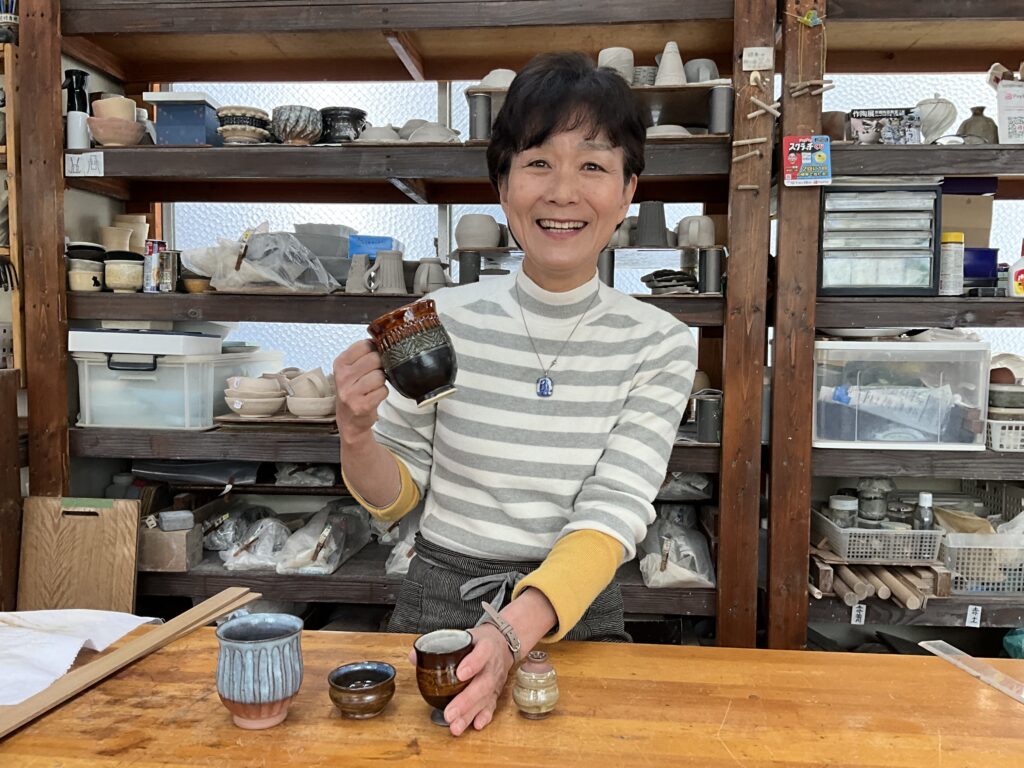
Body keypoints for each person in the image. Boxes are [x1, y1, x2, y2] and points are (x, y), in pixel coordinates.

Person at [333, 52, 696, 735]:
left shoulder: (660, 342)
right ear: (502, 187)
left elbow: (614, 510)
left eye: (593, 166)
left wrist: (509, 632)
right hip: (440, 602)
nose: (563, 192)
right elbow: (397, 495)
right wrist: (355, 434)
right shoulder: (437, 319)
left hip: (575, 607)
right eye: (537, 162)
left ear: (628, 192)